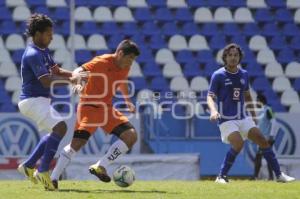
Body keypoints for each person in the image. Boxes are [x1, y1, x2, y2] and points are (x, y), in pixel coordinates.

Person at [50, 39, 140, 189]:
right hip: (89, 107)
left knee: (131, 136)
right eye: (130, 58)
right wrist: (78, 82)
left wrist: (127, 100)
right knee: (77, 144)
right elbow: (80, 70)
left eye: (133, 59)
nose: (131, 62)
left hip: (107, 108)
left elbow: (122, 81)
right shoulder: (102, 61)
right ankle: (53, 177)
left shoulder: (125, 66)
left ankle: (100, 166)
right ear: (120, 53)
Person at [206, 43, 295, 184]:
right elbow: (210, 96)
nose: (233, 58)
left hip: (243, 117)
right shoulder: (218, 75)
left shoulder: (244, 74)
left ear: (240, 57)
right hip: (226, 119)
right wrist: (213, 110)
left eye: (236, 55)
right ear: (225, 57)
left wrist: (253, 115)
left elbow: (247, 96)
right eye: (230, 55)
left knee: (263, 141)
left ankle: (279, 175)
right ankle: (221, 176)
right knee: (238, 144)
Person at [17, 13, 87, 190]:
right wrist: (71, 81)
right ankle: (43, 170)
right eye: (49, 33)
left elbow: (56, 70)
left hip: (38, 101)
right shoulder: (33, 54)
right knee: (60, 127)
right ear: (38, 33)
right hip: (32, 101)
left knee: (55, 131)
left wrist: (75, 74)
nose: (52, 37)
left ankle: (29, 165)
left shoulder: (43, 52)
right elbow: (46, 80)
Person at [252, 94, 277, 180]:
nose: (255, 103)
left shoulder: (268, 110)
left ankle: (256, 176)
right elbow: (260, 126)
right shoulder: (261, 111)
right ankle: (269, 177)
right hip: (261, 139)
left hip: (267, 138)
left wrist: (271, 135)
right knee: (266, 157)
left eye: (256, 101)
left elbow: (273, 122)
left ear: (260, 101)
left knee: (260, 157)